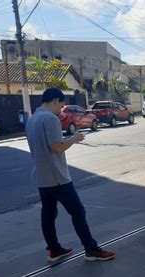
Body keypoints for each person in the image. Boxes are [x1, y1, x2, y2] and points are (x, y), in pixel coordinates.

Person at [26, 88, 115, 262]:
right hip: (57, 177)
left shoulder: (32, 119)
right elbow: (57, 147)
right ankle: (91, 249)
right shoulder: (50, 119)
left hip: (41, 176)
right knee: (78, 212)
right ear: (55, 101)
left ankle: (54, 249)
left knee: (48, 214)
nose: (61, 109)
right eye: (61, 104)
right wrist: (74, 138)